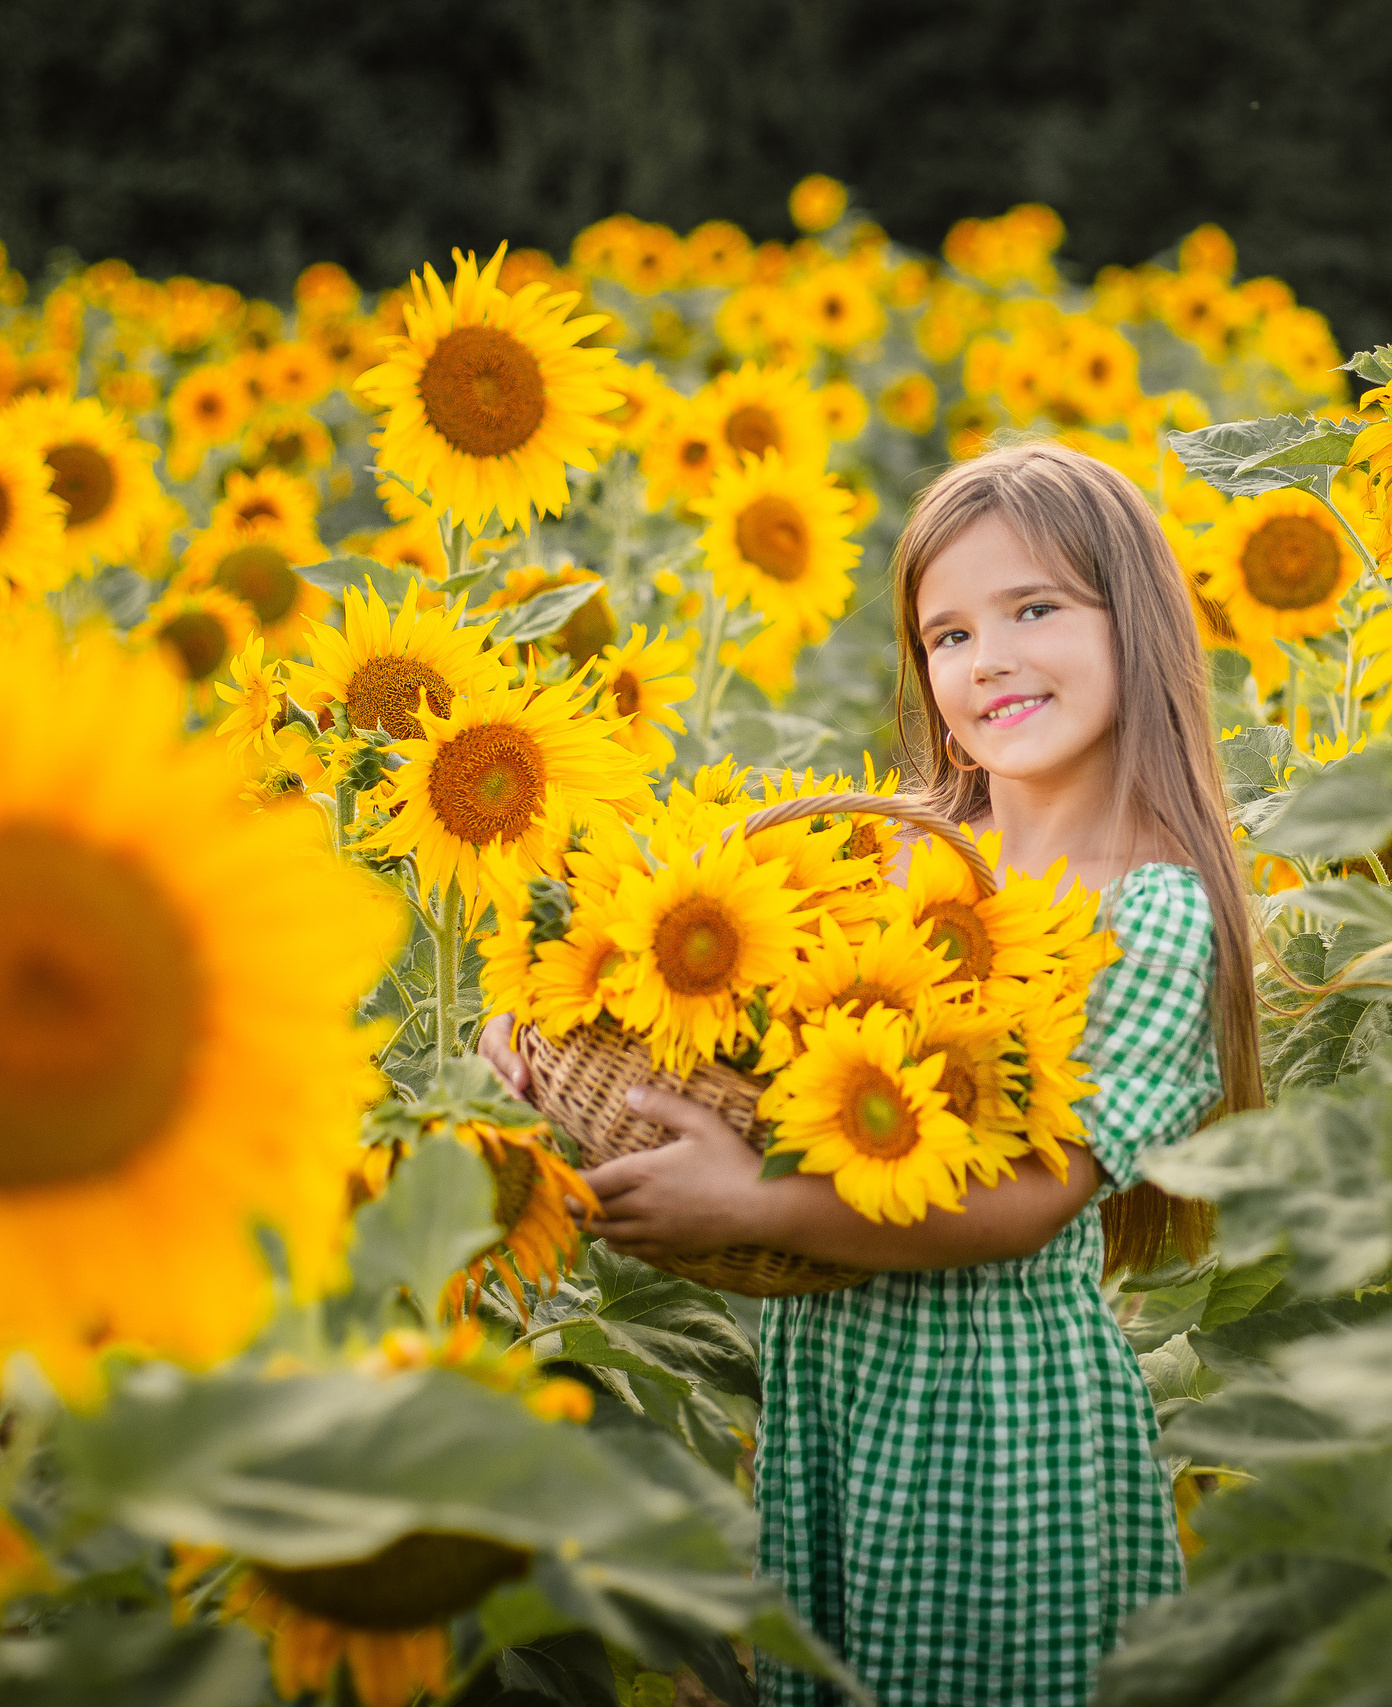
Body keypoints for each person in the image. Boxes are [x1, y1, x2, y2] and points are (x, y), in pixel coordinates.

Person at [481, 441, 1266, 1706]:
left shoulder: (1153, 914)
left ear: (1141, 624)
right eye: (946, 635)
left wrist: (752, 1209)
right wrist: (567, 1028)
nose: (987, 658)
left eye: (1033, 610)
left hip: (997, 1420)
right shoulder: (899, 856)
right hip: (833, 1385)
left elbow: (1032, 1199)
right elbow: (756, 1047)